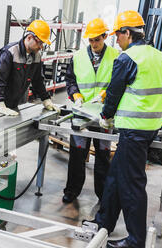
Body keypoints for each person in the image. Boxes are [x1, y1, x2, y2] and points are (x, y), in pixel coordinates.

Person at [86, 11, 162, 248]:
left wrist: (105, 116)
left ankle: (136, 240)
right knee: (115, 176)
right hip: (150, 126)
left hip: (133, 129)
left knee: (132, 184)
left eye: (118, 35)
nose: (116, 41)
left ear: (127, 33)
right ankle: (104, 223)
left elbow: (114, 92)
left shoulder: (128, 58)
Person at [63, 18, 119, 204]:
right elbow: (70, 80)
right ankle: (72, 191)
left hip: (105, 115)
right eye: (91, 40)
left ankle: (103, 195)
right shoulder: (78, 56)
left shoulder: (116, 56)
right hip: (81, 114)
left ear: (105, 36)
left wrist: (106, 93)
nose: (94, 44)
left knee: (103, 156)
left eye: (97, 39)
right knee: (77, 154)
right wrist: (76, 95)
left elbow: (119, 81)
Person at [0, 20, 60, 116]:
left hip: (13, 103)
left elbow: (38, 81)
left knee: (11, 130)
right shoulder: (10, 52)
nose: (41, 47)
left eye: (43, 44)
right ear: (29, 38)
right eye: (40, 43)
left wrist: (46, 99)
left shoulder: (36, 56)